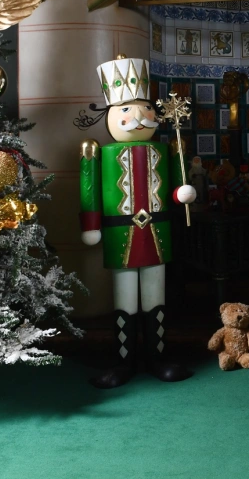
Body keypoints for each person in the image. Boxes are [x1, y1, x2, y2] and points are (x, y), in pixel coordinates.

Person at [78, 55, 196, 389]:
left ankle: (158, 358)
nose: (139, 116)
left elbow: (175, 187)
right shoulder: (98, 152)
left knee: (156, 296)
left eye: (145, 108)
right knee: (125, 299)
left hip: (157, 231)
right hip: (119, 233)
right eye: (127, 109)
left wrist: (183, 193)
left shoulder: (164, 149)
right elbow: (89, 190)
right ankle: (124, 362)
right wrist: (90, 225)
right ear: (110, 114)